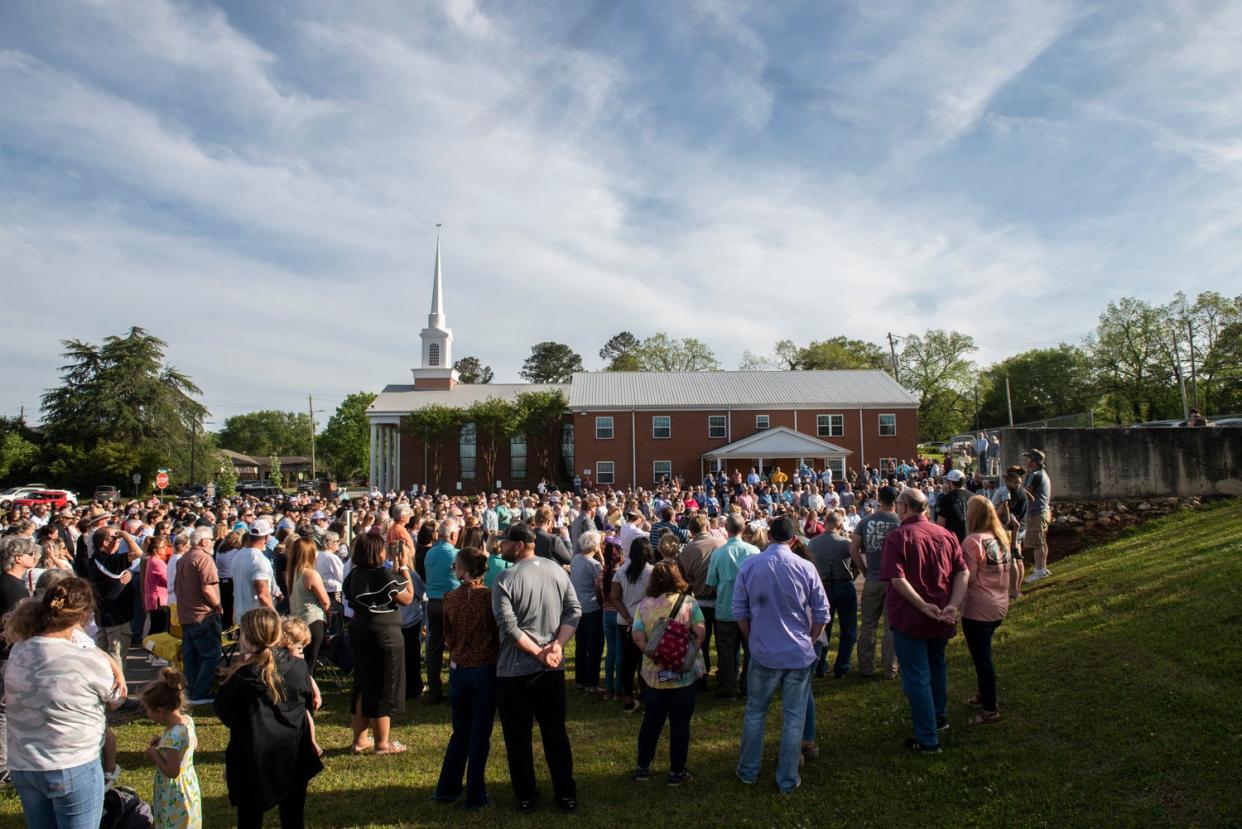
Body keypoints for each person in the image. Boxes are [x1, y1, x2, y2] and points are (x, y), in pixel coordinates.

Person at [3, 577, 122, 829]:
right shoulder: (85, 659)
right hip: (70, 762)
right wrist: (114, 666)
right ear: (85, 615)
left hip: (24, 764)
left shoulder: (19, 649)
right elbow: (117, 699)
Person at [732, 516, 830, 794]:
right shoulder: (804, 567)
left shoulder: (751, 565)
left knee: (756, 713)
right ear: (794, 540)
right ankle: (784, 777)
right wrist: (809, 639)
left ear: (770, 536)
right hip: (793, 652)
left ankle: (750, 771)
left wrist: (753, 637)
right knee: (793, 717)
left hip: (769, 651)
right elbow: (822, 612)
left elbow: (739, 610)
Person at [492, 522, 582, 814]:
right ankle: (565, 792)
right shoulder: (557, 570)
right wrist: (556, 647)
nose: (501, 547)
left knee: (519, 736)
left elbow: (509, 628)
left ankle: (526, 794)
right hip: (551, 668)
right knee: (555, 732)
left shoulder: (504, 578)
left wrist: (548, 650)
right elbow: (574, 611)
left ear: (518, 545)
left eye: (505, 543)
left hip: (516, 670)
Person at [215, 608, 322, 828]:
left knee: (249, 820)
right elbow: (307, 705)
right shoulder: (298, 668)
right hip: (290, 752)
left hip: (252, 756)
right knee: (293, 819)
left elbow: (225, 712)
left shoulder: (241, 676)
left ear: (246, 637)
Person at [880, 488, 968, 754]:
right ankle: (938, 717)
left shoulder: (899, 537)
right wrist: (952, 605)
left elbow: (897, 579)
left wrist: (924, 606)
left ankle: (928, 738)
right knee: (937, 666)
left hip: (913, 617)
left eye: (898, 504)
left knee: (917, 675)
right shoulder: (947, 535)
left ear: (904, 508)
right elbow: (963, 573)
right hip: (941, 613)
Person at [434, 546, 500, 811]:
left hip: (460, 669)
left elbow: (446, 634)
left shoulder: (451, 598)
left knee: (461, 730)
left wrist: (459, 647)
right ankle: (474, 793)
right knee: (478, 732)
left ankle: (448, 788)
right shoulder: (489, 598)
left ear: (461, 570)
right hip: (483, 668)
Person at [630, 560, 707, 785]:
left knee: (651, 723)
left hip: (655, 677)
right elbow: (700, 632)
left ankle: (643, 767)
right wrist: (686, 656)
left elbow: (637, 636)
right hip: (684, 675)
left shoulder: (644, 605)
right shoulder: (690, 604)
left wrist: (654, 655)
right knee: (680, 725)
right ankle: (677, 772)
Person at [343, 532, 415, 755]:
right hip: (384, 633)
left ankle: (360, 739)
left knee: (363, 684)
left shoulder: (354, 574)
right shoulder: (383, 574)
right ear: (377, 551)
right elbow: (408, 597)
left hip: (360, 629)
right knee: (384, 686)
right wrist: (404, 567)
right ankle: (382, 743)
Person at [961, 496, 1018, 725]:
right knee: (982, 654)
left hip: (978, 608)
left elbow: (970, 578)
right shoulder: (1001, 537)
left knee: (982, 658)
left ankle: (990, 709)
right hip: (999, 603)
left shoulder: (972, 541)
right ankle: (983, 694)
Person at [140, 668, 202, 829]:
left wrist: (155, 755)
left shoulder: (171, 737)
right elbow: (193, 745)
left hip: (174, 793)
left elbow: (173, 771)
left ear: (160, 711)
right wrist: (163, 743)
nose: (147, 713)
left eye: (148, 710)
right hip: (190, 787)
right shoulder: (187, 721)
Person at [705, 514, 758, 699]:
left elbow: (711, 583)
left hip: (726, 608)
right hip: (749, 610)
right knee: (750, 650)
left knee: (726, 651)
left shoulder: (719, 553)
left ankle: (728, 689)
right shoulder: (753, 551)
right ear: (743, 529)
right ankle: (748, 687)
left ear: (726, 529)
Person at [851, 485, 901, 680]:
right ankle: (891, 669)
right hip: (895, 581)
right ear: (896, 502)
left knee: (868, 624)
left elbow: (854, 549)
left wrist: (865, 570)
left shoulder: (865, 521)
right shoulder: (900, 522)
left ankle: (866, 667)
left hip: (872, 578)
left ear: (879, 500)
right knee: (892, 626)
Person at [175, 527, 224, 706]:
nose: (212, 542)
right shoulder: (204, 558)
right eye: (211, 539)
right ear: (204, 541)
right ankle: (201, 691)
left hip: (186, 613)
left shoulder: (184, 558)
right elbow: (208, 588)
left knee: (191, 656)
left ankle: (192, 689)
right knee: (210, 654)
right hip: (203, 614)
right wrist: (218, 606)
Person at [808, 511, 857, 679]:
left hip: (822, 587)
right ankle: (842, 667)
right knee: (848, 628)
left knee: (822, 629)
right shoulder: (846, 542)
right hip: (844, 584)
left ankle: (820, 666)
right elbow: (857, 564)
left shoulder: (813, 543)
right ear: (839, 525)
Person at [677, 513, 722, 688]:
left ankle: (702, 676)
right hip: (719, 599)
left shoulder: (687, 550)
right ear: (707, 527)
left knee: (699, 641)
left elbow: (683, 580)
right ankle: (725, 675)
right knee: (723, 641)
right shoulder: (720, 544)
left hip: (700, 600)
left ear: (691, 530)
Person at [88, 524, 142, 668]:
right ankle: (117, 686)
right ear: (105, 542)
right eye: (116, 538)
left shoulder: (96, 558)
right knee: (116, 655)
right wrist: (126, 536)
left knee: (102, 655)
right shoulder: (109, 560)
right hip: (116, 617)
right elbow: (138, 553)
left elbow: (116, 576)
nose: (119, 541)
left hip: (104, 615)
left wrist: (129, 573)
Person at [610, 537, 654, 714]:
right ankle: (646, 694)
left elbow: (614, 596)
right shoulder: (653, 572)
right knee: (646, 659)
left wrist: (627, 617)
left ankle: (628, 698)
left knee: (628, 661)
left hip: (625, 622)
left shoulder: (621, 571)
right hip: (646, 621)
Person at [424, 518, 461, 704]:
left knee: (434, 646)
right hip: (453, 603)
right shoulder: (457, 555)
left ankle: (434, 689)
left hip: (433, 603)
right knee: (458, 645)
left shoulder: (430, 553)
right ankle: (457, 687)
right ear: (453, 535)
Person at [280, 618, 325, 758]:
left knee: (305, 715)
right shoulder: (278, 660)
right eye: (299, 648)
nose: (302, 653)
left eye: (303, 649)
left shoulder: (298, 662)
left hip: (295, 700)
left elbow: (307, 676)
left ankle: (311, 742)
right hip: (281, 699)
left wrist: (316, 693)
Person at [286, 538, 331, 674]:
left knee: (299, 663)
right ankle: (308, 692)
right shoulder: (310, 574)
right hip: (313, 621)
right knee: (309, 665)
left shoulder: (291, 573)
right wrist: (329, 618)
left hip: (297, 622)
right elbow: (325, 602)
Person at [570, 529, 605, 693]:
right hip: (592, 606)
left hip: (578, 606)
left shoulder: (576, 559)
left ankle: (580, 679)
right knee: (595, 645)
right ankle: (592, 682)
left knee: (581, 644)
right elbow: (600, 585)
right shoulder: (594, 564)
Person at [231, 520, 276, 620]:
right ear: (266, 537)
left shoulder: (238, 555)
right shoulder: (260, 560)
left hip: (242, 617)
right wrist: (276, 618)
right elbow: (262, 594)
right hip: (256, 621)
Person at [1022, 449, 1054, 582]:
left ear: (1034, 462)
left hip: (1037, 513)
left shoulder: (1034, 475)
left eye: (1028, 459)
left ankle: (1039, 571)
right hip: (1043, 512)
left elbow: (1027, 494)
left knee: (1037, 544)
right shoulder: (1041, 473)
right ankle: (1043, 568)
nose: (1026, 461)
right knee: (1041, 542)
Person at [936, 469, 972, 542]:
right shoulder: (974, 496)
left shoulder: (946, 499)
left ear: (951, 483)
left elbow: (940, 524)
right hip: (972, 539)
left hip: (954, 542)